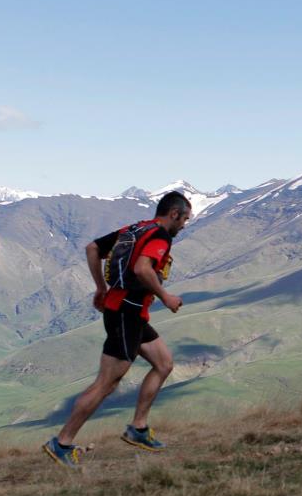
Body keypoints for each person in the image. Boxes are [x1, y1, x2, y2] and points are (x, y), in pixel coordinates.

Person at [43, 191, 191, 468]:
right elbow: (143, 269)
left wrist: (101, 287)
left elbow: (92, 248)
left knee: (164, 363)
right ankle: (62, 443)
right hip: (127, 314)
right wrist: (166, 297)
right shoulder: (160, 237)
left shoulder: (135, 228)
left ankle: (138, 428)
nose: (184, 225)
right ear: (173, 214)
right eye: (184, 219)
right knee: (106, 384)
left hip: (125, 310)